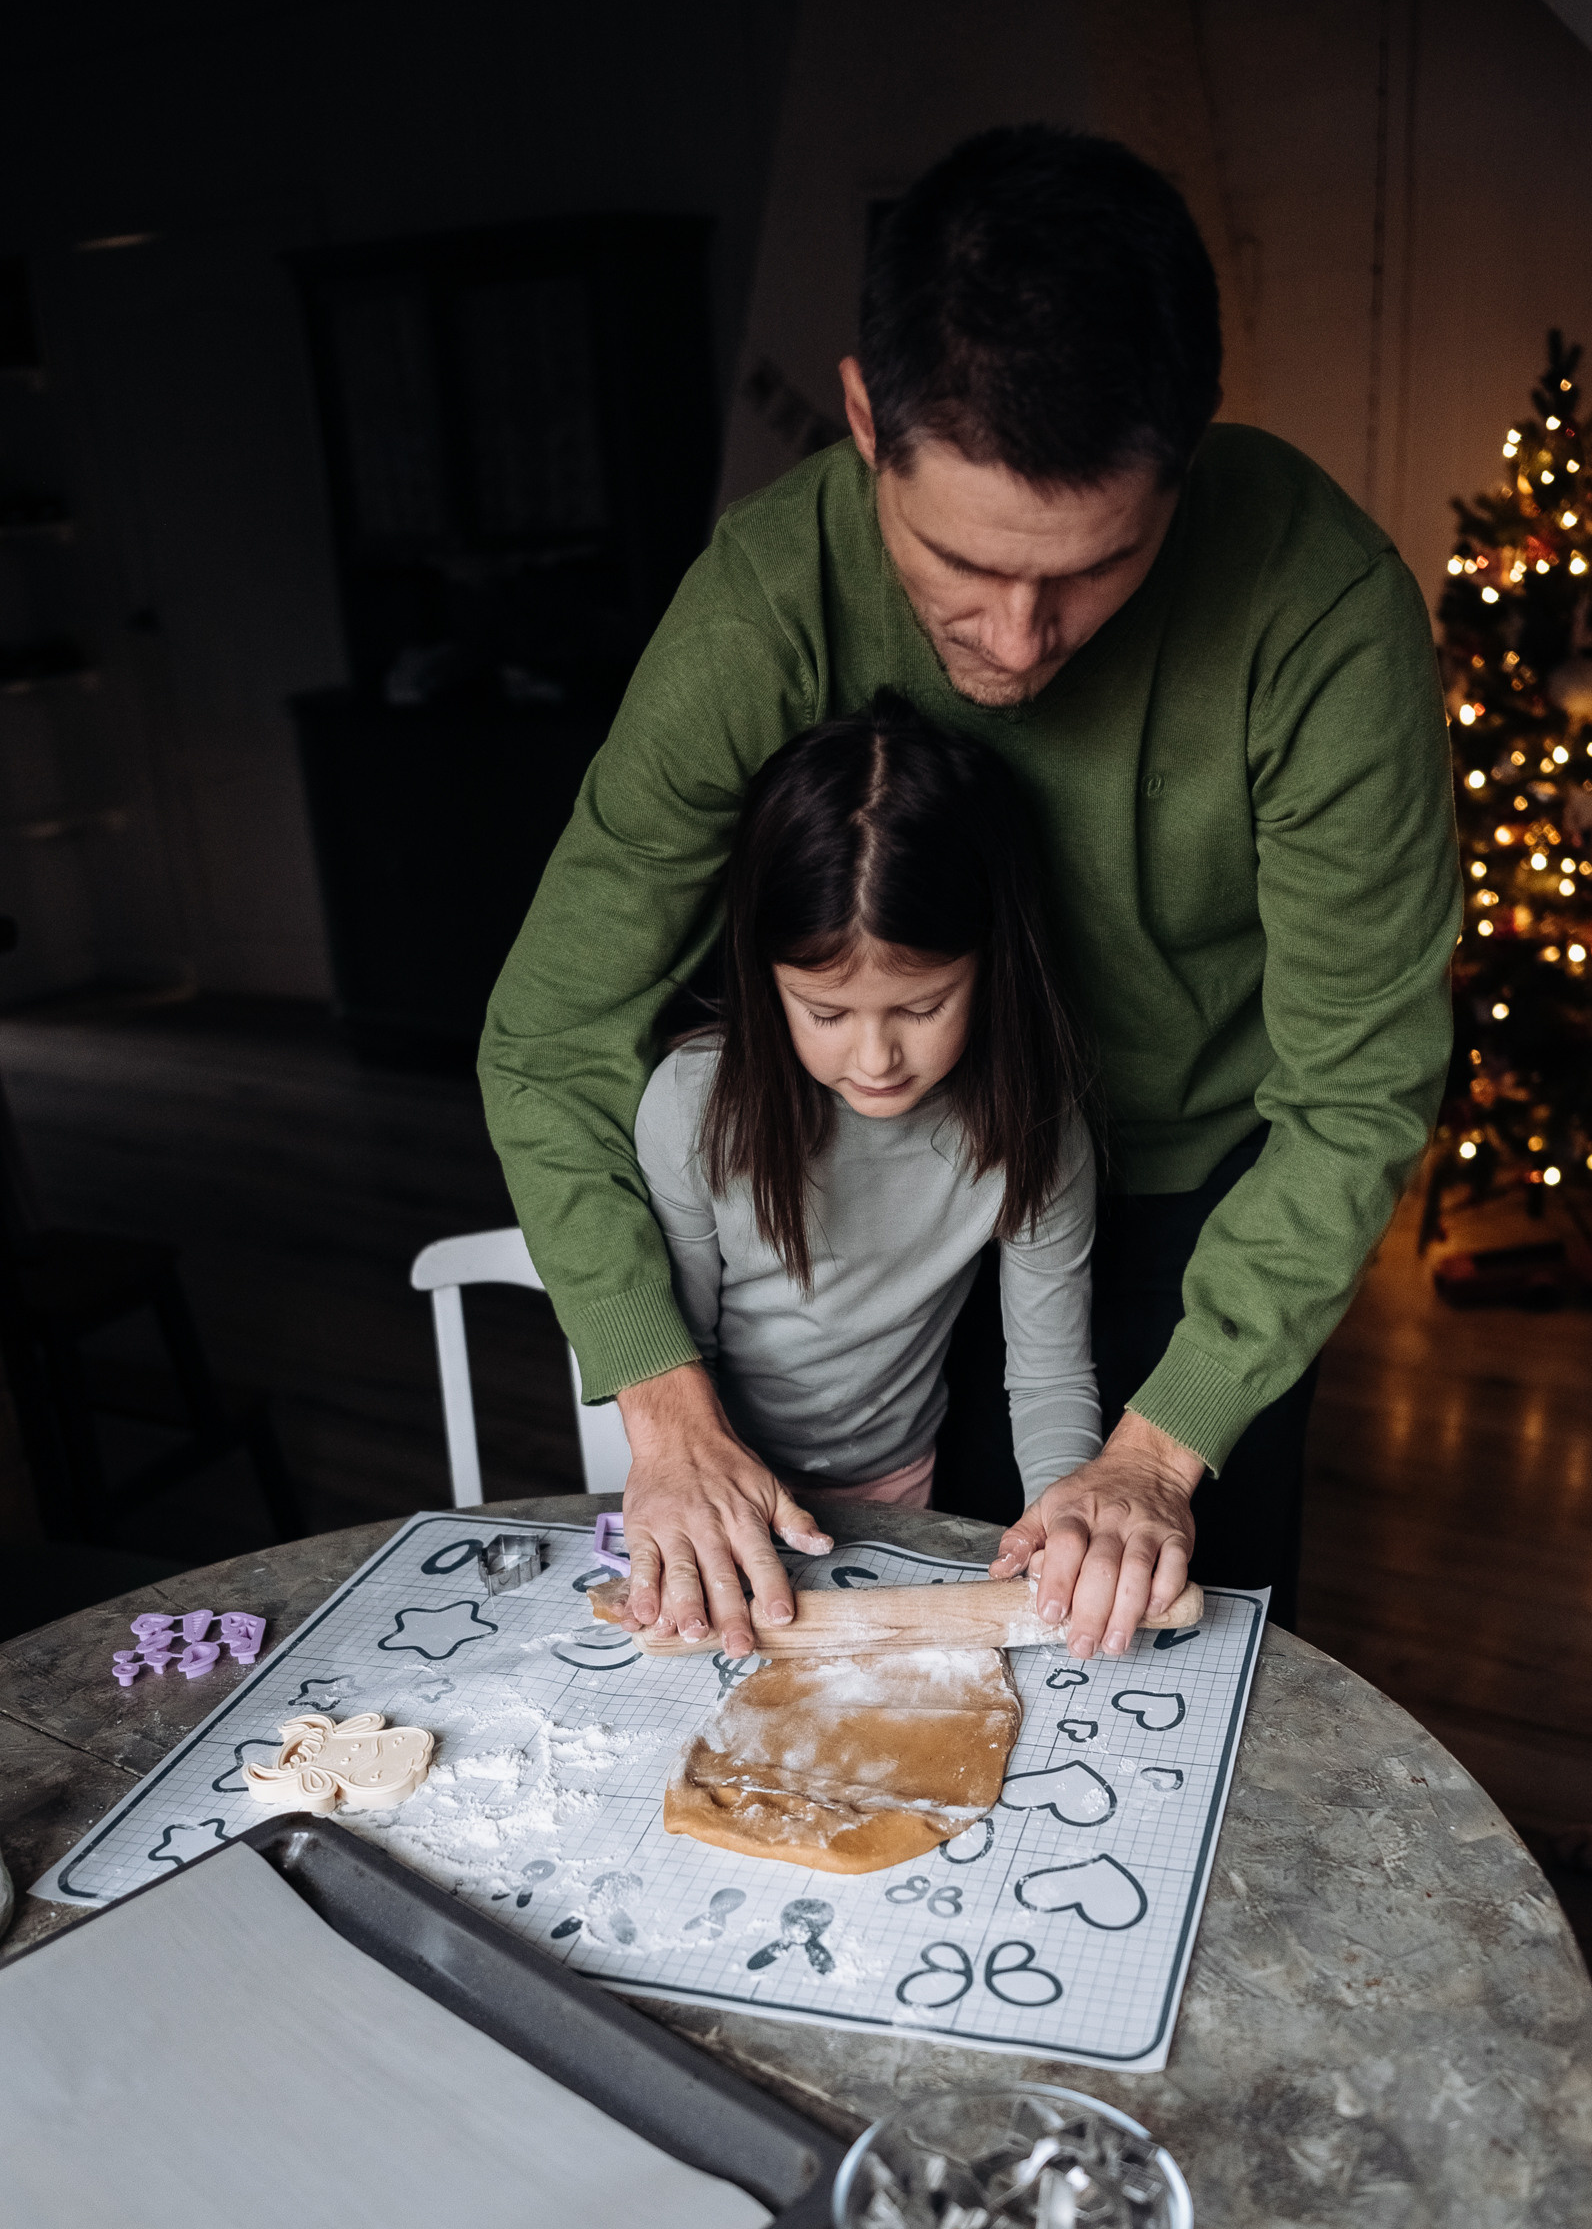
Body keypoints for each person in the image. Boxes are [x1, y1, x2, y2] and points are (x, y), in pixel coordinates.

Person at [481, 122, 1461, 1663]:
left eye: (1093, 568)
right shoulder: (766, 598)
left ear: (1186, 457)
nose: (1016, 643)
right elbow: (549, 1037)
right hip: (904, 1191)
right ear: (867, 420)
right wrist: (664, 1409)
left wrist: (1155, 1455)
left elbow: (1358, 1092)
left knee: (1166, 1649)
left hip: (1205, 1204)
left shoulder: (1322, 610)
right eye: (961, 565)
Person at [629, 692, 1104, 1648]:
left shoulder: (1037, 1131)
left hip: (900, 1487)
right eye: (826, 1012)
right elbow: (681, 1358)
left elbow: (1049, 1375)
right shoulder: (692, 1107)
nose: (877, 1058)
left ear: (990, 964)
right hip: (718, 1496)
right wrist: (710, 1494)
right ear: (766, 980)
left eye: (922, 1008)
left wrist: (1064, 1522)